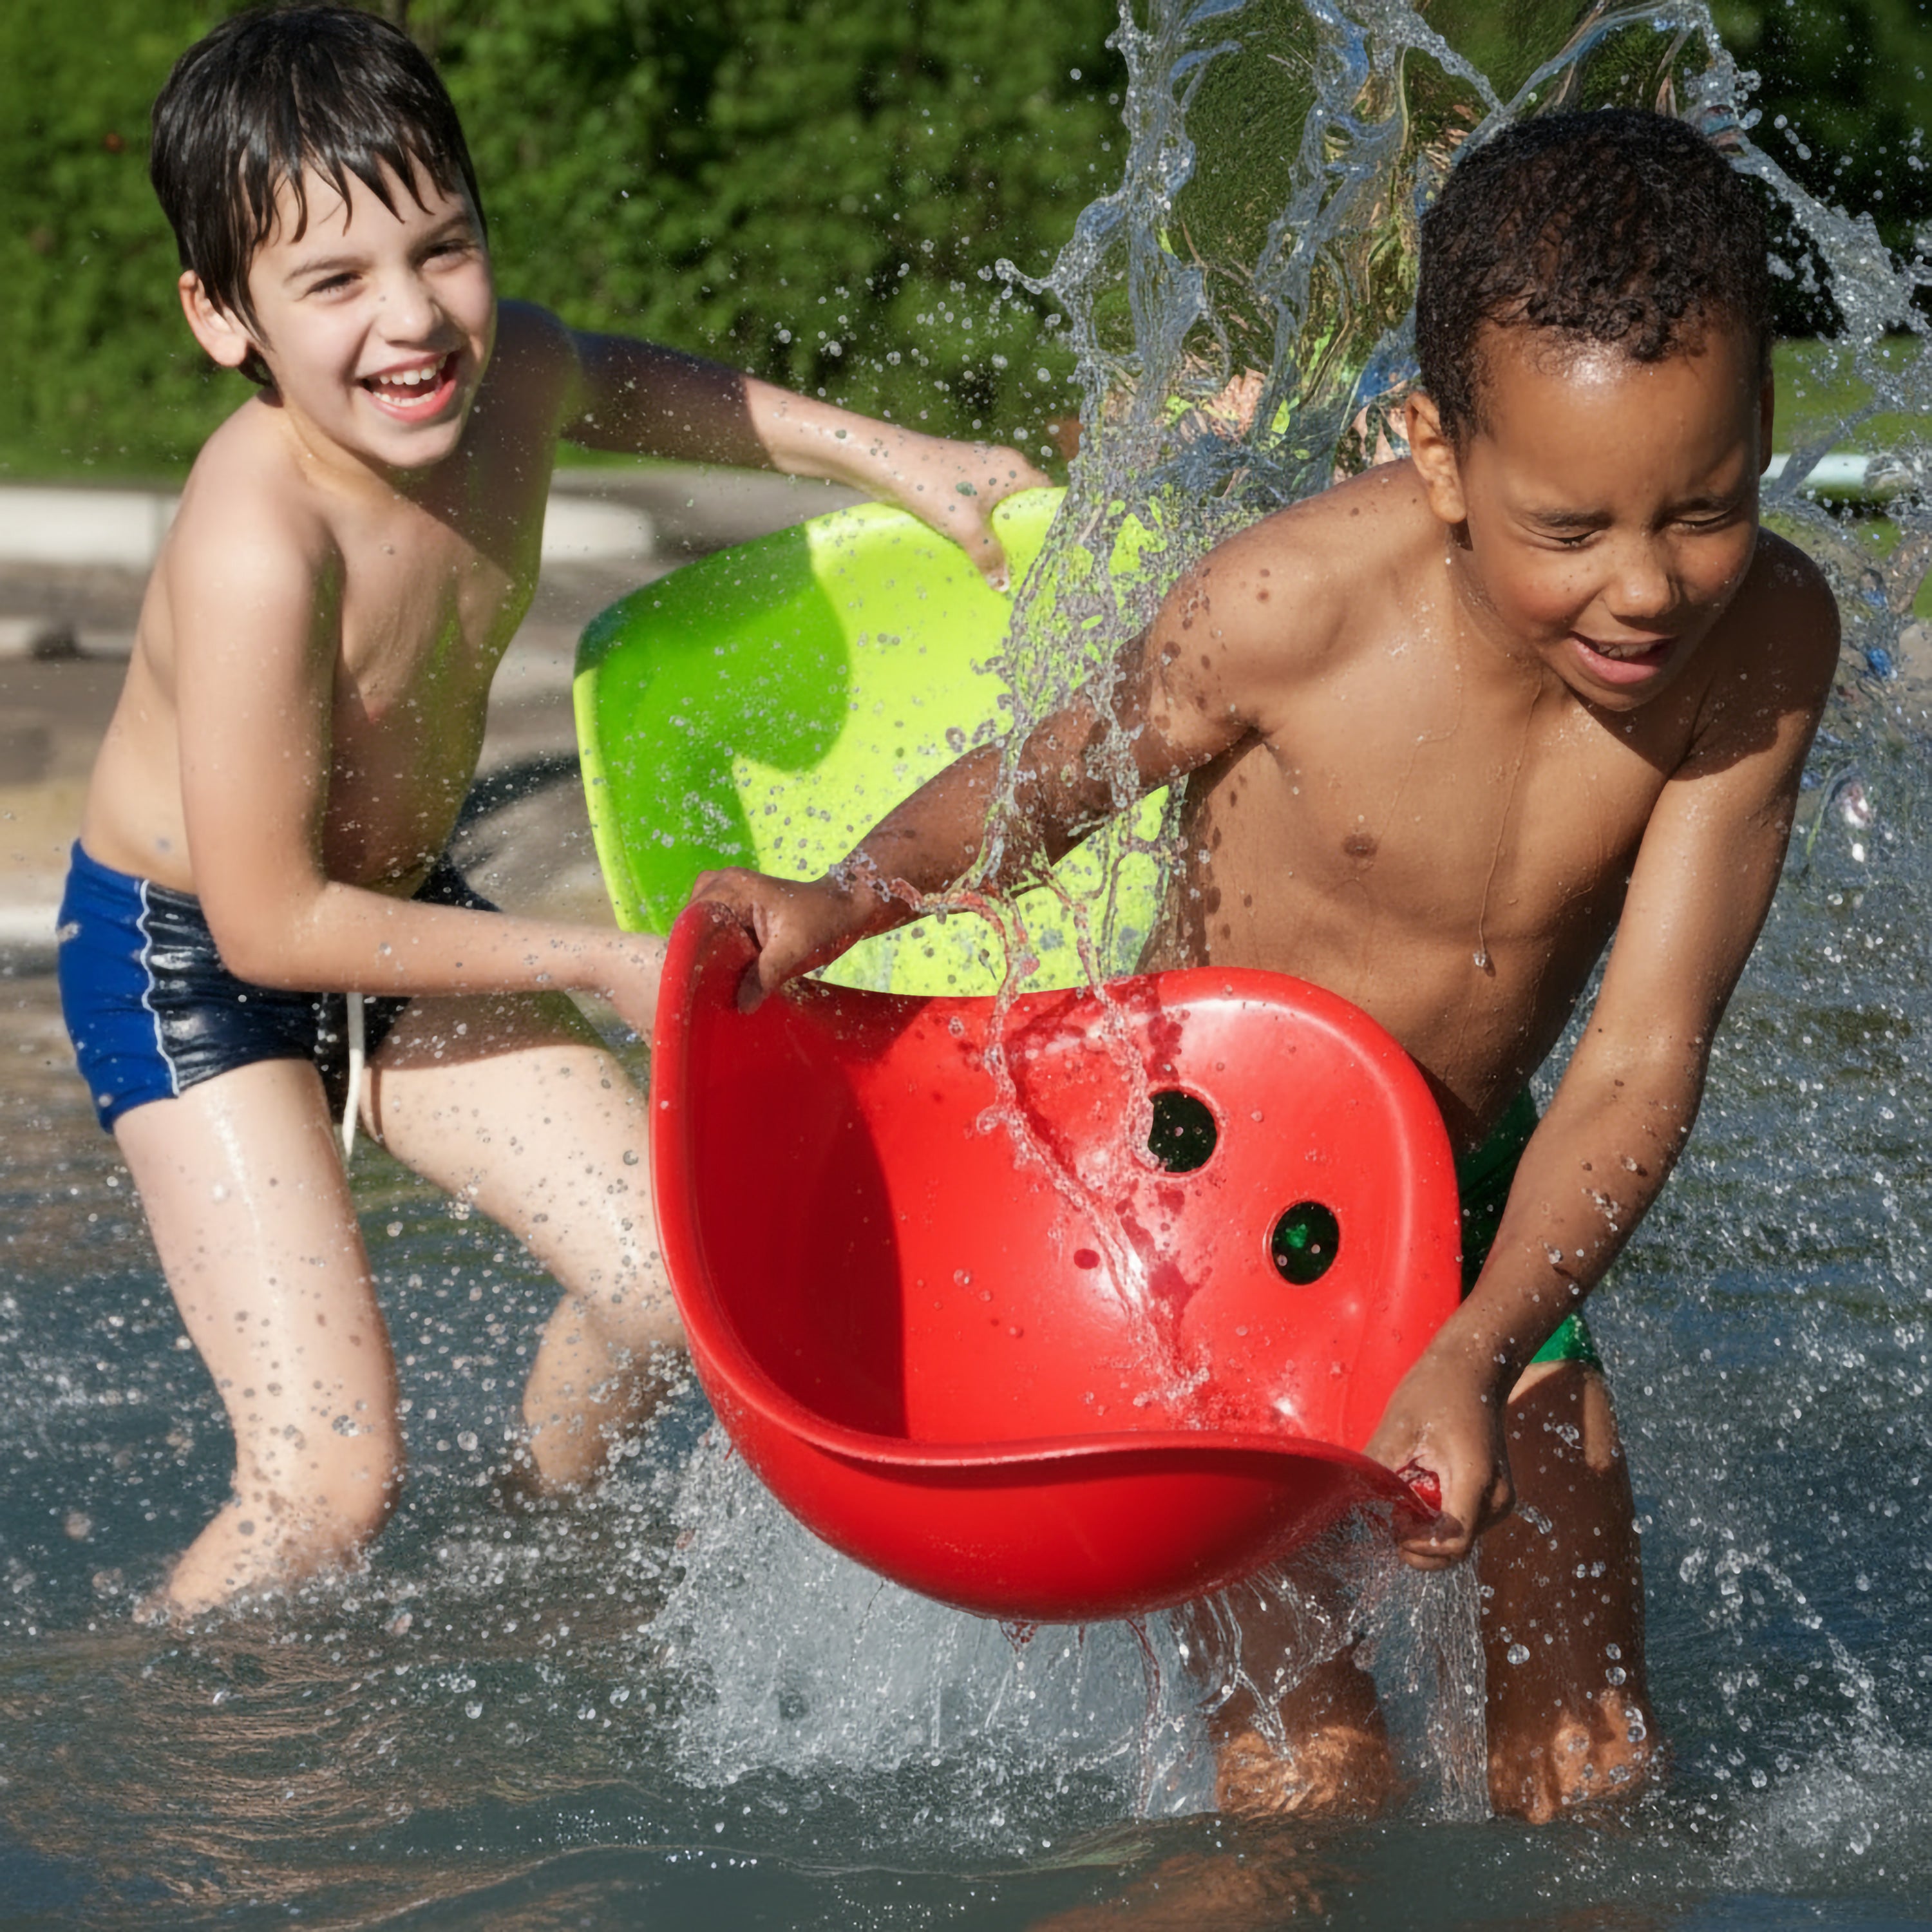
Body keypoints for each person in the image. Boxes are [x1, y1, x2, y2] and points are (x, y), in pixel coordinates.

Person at [691, 108, 1841, 1821]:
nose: (1647, 587)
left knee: (1591, 1754)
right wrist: (841, 902)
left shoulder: (1761, 646)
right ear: (1435, 452)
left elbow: (1636, 1060)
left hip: (1463, 1186)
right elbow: (1050, 783)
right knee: (1315, 1775)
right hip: (1198, 1206)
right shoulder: (1292, 608)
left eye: (1709, 507)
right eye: (1570, 525)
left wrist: (1474, 1341)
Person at [57, 4, 1046, 1620]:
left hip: (388, 913)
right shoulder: (260, 545)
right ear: (220, 317)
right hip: (197, 966)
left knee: (674, 1290)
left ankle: (539, 1534)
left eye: (443, 251)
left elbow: (639, 386)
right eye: (333, 285)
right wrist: (594, 957)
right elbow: (266, 921)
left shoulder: (503, 370)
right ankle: (160, 1745)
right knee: (323, 1492)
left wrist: (899, 458)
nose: (414, 320)